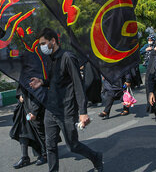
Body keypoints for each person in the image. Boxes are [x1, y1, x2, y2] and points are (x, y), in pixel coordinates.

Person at [29, 28, 103, 172]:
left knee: (73, 145)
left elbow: (78, 84)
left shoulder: (68, 57)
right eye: (40, 44)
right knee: (50, 146)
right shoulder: (50, 58)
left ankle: (96, 157)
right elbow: (55, 81)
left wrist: (83, 111)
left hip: (67, 110)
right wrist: (42, 82)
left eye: (43, 43)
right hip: (51, 110)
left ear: (53, 41)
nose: (41, 47)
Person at [10, 51, 47, 169]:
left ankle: (45, 154)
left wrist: (35, 112)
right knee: (22, 130)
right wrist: (20, 95)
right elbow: (21, 87)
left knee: (40, 132)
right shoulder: (23, 71)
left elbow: (39, 94)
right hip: (24, 107)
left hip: (36, 108)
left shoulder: (35, 72)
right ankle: (24, 156)